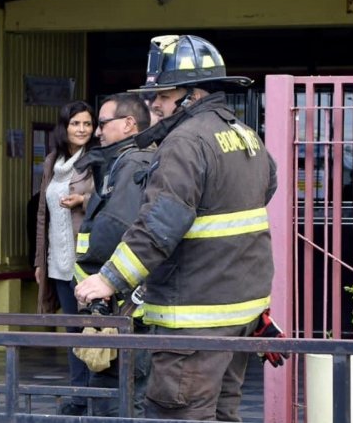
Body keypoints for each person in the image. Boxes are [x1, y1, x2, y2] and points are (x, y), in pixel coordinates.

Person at [75, 34, 280, 421]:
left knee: (178, 413)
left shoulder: (184, 143)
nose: (155, 103)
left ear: (194, 94)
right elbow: (267, 187)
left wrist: (108, 280)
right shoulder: (245, 135)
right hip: (239, 315)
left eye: (165, 95)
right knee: (222, 413)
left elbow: (158, 227)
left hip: (194, 318)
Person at [72, 92, 154, 417]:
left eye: (103, 123)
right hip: (111, 304)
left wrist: (99, 284)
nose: (97, 131)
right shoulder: (123, 162)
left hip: (121, 307)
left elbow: (114, 228)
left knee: (115, 400)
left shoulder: (132, 163)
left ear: (129, 124)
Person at [34, 100, 97, 416]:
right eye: (76, 124)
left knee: (93, 329)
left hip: (85, 262)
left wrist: (82, 201)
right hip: (57, 261)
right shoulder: (51, 162)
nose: (82, 129)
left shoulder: (97, 160)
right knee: (73, 331)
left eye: (87, 123)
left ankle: (95, 394)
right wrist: (39, 261)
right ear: (65, 127)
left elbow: (107, 202)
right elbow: (42, 214)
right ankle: (78, 394)